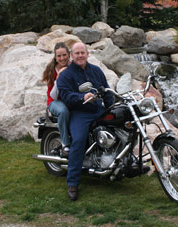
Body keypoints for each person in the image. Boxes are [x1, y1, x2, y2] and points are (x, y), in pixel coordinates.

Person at [57, 42, 114, 201]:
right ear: (72, 56)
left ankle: (123, 164)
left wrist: (113, 108)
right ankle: (73, 183)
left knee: (119, 127)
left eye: (83, 52)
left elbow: (107, 90)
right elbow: (66, 96)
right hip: (79, 112)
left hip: (98, 109)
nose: (80, 55)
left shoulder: (96, 70)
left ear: (87, 54)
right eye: (77, 53)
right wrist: (82, 96)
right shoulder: (66, 75)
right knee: (79, 140)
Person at [42, 42, 71, 158]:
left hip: (69, 99)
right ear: (55, 57)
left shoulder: (73, 66)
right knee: (63, 111)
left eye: (64, 55)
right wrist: (58, 79)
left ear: (69, 54)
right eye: (59, 56)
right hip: (55, 101)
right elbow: (53, 95)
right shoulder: (52, 70)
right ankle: (65, 144)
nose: (62, 58)